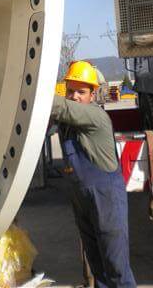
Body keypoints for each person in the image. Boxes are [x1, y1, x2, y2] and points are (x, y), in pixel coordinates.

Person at [51, 60, 136, 288]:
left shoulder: (95, 117)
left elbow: (59, 107)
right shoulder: (67, 124)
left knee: (116, 268)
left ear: (92, 94)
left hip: (106, 198)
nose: (75, 97)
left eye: (81, 92)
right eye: (70, 91)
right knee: (98, 267)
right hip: (83, 201)